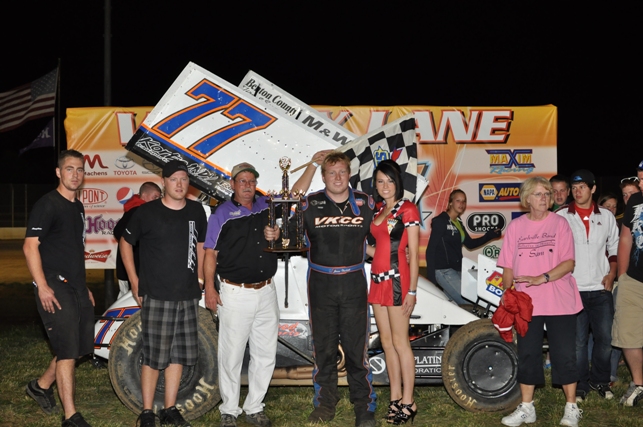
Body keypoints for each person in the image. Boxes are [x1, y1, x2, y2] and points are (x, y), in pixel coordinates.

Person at [204, 152, 329, 427]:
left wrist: (313, 165)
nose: (247, 185)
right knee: (231, 355)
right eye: (242, 181)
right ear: (233, 184)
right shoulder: (221, 214)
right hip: (235, 292)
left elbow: (295, 195)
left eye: (251, 181)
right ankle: (229, 410)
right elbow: (210, 253)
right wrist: (209, 289)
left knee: (264, 353)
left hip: (266, 291)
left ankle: (255, 407)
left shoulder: (266, 206)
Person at [120, 160, 207, 427]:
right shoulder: (146, 212)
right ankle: (147, 411)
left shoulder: (196, 210)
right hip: (157, 294)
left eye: (183, 179)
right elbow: (125, 243)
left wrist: (200, 277)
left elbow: (201, 245)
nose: (179, 184)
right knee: (154, 356)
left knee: (178, 354)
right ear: (164, 182)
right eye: (173, 179)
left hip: (187, 294)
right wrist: (134, 281)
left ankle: (169, 409)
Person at [497, 176, 583, 427]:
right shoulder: (516, 227)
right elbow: (508, 267)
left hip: (559, 300)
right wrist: (507, 293)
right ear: (527, 199)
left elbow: (569, 263)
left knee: (564, 354)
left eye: (547, 193)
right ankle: (527, 408)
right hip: (527, 304)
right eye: (538, 194)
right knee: (528, 353)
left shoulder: (560, 224)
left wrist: (541, 278)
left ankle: (571, 407)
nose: (544, 198)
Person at [300, 152, 377, 427]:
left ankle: (364, 406)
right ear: (323, 177)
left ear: (349, 174)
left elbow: (379, 240)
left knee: (357, 349)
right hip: (321, 284)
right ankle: (324, 404)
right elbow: (290, 202)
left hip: (354, 282)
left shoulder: (366, 203)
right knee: (324, 348)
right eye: (331, 172)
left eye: (342, 171)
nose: (337, 177)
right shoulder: (310, 204)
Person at [23, 149, 95, 427]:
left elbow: (72, 251)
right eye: (69, 169)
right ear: (58, 172)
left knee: (79, 347)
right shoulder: (48, 204)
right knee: (67, 351)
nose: (75, 175)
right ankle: (70, 417)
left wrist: (84, 287)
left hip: (75, 285)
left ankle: (40, 386)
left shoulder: (77, 207)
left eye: (80, 170)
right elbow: (30, 246)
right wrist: (41, 286)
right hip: (53, 284)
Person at [556, 170, 619, 402]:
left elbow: (614, 248)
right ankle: (580, 385)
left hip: (601, 288)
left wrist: (612, 273)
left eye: (582, 187)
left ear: (593, 189)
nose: (577, 191)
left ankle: (600, 381)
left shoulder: (607, 216)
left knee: (605, 340)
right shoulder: (562, 216)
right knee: (578, 343)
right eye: (574, 188)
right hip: (573, 289)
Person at [367, 160, 420, 425]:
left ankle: (409, 402)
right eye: (380, 181)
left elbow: (414, 255)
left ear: (397, 182)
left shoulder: (407, 209)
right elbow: (376, 249)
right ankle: (395, 398)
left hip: (398, 281)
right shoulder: (379, 209)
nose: (385, 185)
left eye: (389, 180)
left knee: (400, 343)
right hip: (377, 281)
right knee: (386, 343)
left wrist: (412, 291)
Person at [425, 189, 500, 305]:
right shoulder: (441, 221)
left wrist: (490, 236)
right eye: (458, 201)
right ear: (450, 203)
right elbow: (430, 250)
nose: (461, 204)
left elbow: (470, 244)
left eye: (463, 201)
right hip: (443, 270)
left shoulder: (458, 222)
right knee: (469, 302)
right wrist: (431, 280)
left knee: (453, 306)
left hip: (457, 270)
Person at [611, 181, 643, 406]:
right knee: (627, 333)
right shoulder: (635, 201)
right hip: (633, 280)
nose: (640, 183)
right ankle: (638, 383)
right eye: (639, 178)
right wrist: (622, 276)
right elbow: (625, 237)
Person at [113, 182, 161, 299]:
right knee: (130, 303)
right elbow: (119, 232)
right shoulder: (138, 212)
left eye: (159, 198)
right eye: (154, 197)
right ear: (143, 196)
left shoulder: (135, 210)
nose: (157, 201)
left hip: (130, 270)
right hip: (133, 271)